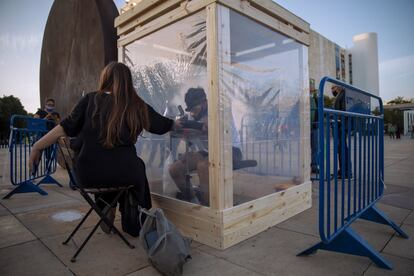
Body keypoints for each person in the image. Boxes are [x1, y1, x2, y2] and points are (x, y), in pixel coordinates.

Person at [29, 62, 180, 233]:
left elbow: (65, 127)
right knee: (135, 168)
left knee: (104, 163)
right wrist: (182, 124)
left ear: (105, 79)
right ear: (127, 81)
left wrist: (37, 146)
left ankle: (105, 204)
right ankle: (134, 216)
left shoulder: (90, 99)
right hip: (125, 173)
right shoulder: (136, 105)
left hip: (88, 176)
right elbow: (162, 126)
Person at [168, 87, 242, 206]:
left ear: (204, 103)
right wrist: (182, 133)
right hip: (208, 151)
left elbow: (213, 129)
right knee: (175, 168)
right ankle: (194, 202)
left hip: (231, 149)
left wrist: (199, 127)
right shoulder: (193, 116)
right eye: (191, 110)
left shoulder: (219, 111)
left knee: (203, 166)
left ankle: (208, 208)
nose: (192, 113)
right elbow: (192, 138)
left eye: (195, 109)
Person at [332, 85, 351, 179]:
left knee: (342, 148)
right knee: (341, 148)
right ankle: (342, 171)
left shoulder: (343, 94)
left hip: (342, 125)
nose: (332, 90)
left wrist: (339, 120)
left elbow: (344, 110)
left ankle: (346, 172)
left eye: (333, 88)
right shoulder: (340, 95)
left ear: (338, 87)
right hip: (341, 124)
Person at [310, 89, 318, 174]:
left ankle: (314, 166)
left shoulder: (315, 99)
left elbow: (318, 112)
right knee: (305, 148)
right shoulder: (301, 100)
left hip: (314, 127)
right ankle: (304, 166)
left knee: (315, 147)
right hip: (306, 127)